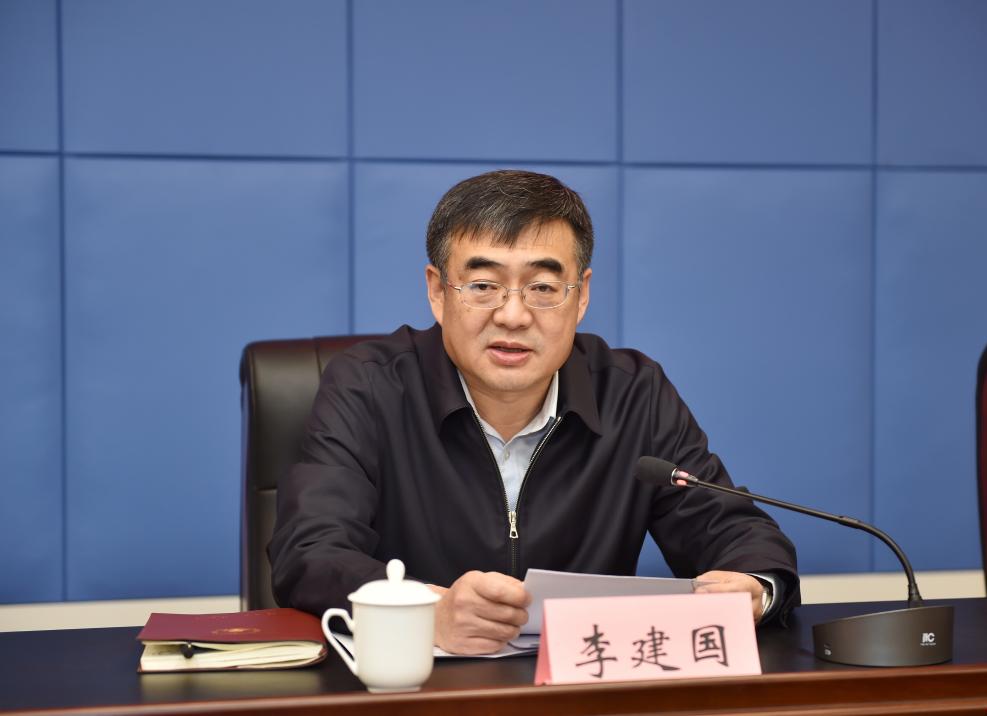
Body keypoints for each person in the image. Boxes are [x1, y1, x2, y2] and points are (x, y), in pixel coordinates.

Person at [269, 170, 799, 655]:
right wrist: (425, 611)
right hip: (417, 693)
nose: (513, 315)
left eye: (543, 287)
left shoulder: (632, 393)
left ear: (581, 295)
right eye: (483, 286)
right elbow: (310, 551)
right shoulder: (369, 386)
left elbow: (735, 532)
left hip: (583, 692)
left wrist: (756, 587)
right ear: (437, 291)